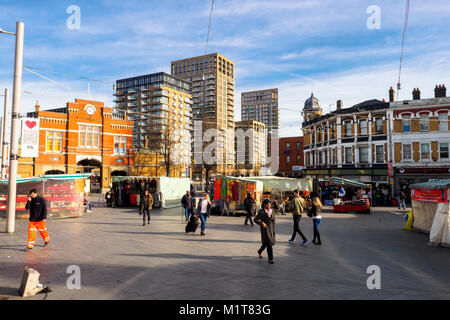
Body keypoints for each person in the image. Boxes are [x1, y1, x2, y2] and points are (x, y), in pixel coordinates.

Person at [254, 199, 276, 264]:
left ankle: (259, 251)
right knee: (269, 244)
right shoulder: (261, 212)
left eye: (270, 204)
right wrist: (262, 223)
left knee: (266, 243)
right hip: (265, 230)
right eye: (268, 204)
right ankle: (270, 259)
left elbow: (274, 221)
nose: (269, 206)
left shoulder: (272, 211)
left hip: (271, 229)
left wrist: (273, 229)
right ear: (264, 205)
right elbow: (255, 219)